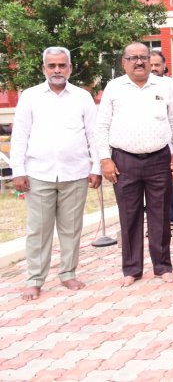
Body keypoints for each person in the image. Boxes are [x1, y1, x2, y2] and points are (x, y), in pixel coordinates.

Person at [10, 47, 102, 301]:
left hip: (76, 173)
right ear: (44, 69)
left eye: (62, 66)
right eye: (52, 66)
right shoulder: (30, 97)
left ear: (70, 68)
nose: (57, 70)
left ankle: (68, 273)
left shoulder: (82, 97)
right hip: (38, 173)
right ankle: (35, 279)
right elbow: (20, 136)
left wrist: (96, 167)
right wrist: (18, 171)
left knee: (71, 228)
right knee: (38, 230)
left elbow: (93, 135)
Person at [95, 42, 173, 286]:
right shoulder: (114, 88)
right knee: (129, 216)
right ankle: (131, 269)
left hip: (159, 159)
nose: (139, 62)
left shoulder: (163, 86)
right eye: (133, 58)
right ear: (124, 62)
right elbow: (101, 126)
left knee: (161, 215)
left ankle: (162, 266)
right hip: (124, 161)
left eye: (144, 57)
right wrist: (105, 158)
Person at [149, 51, 173, 232]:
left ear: (164, 66)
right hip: (148, 143)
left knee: (171, 181)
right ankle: (154, 223)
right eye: (150, 65)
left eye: (157, 65)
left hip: (171, 141)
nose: (153, 68)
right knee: (151, 186)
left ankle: (172, 218)